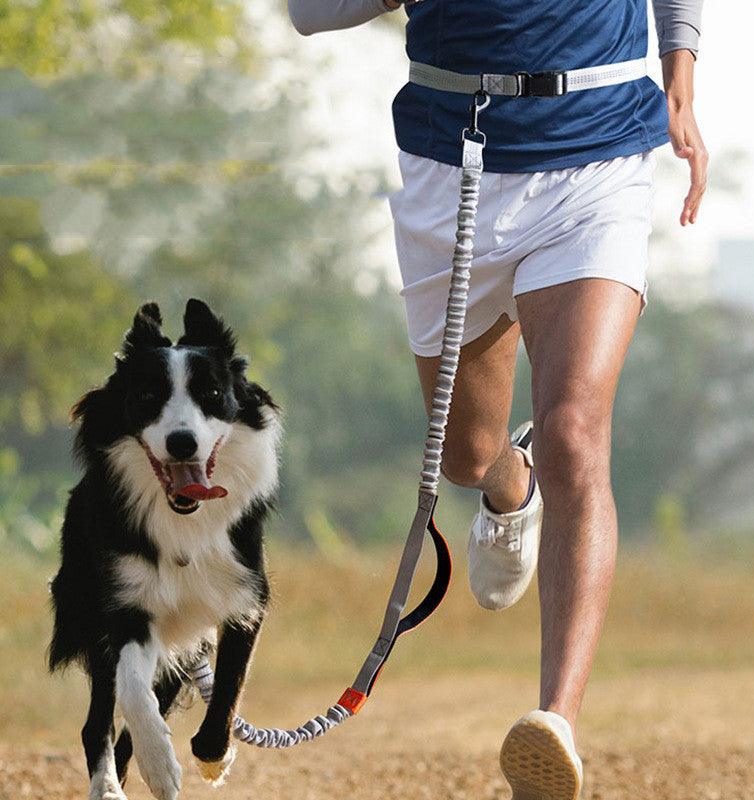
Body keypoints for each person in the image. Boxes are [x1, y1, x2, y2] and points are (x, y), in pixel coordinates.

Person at [287, 2, 706, 798]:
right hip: (452, 162)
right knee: (467, 456)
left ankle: (555, 722)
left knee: (574, 432)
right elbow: (308, 14)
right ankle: (513, 490)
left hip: (600, 152)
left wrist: (679, 65)